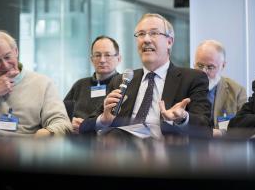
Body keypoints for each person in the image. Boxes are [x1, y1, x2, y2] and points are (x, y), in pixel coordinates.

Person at [80, 13, 211, 138]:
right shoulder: (122, 80)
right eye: (141, 34)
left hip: (167, 156)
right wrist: (104, 119)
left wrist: (183, 118)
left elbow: (206, 129)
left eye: (154, 33)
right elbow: (84, 127)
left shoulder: (192, 79)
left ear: (169, 42)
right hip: (124, 154)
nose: (146, 39)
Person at [0, 30, 72, 137]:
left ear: (16, 51)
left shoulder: (43, 83)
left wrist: (46, 133)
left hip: (26, 148)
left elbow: (63, 124)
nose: (5, 66)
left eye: (7, 57)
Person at [64, 36, 121, 134]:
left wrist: (88, 126)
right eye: (97, 55)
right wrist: (69, 122)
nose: (102, 60)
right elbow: (61, 113)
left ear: (119, 59)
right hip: (75, 140)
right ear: (91, 59)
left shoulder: (123, 85)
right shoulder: (80, 85)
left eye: (107, 55)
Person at [194, 40, 246, 137]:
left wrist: (220, 133)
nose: (203, 72)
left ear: (223, 65)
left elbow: (243, 128)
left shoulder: (237, 91)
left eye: (210, 67)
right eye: (200, 66)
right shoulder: (185, 86)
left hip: (224, 147)